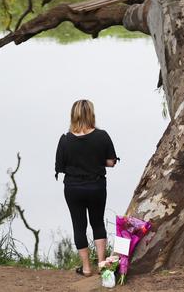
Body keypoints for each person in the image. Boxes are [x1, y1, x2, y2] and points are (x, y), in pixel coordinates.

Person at [55, 99, 118, 277]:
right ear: (91, 114)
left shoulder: (65, 140)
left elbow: (60, 166)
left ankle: (86, 268)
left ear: (73, 115)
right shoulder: (102, 136)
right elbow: (111, 162)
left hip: (73, 188)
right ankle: (101, 265)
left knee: (78, 225)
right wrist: (95, 159)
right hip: (96, 186)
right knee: (97, 222)